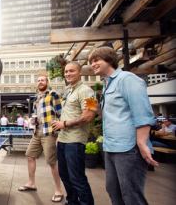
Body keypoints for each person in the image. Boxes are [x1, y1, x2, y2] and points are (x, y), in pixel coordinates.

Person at [89, 46, 158, 205]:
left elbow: (143, 113)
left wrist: (141, 142)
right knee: (113, 191)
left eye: (96, 60)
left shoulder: (127, 79)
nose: (93, 64)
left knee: (131, 196)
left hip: (129, 149)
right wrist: (91, 105)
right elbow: (107, 115)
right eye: (91, 62)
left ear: (109, 60)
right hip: (111, 147)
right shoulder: (107, 85)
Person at [52, 62, 96, 205]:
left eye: (71, 71)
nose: (68, 74)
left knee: (77, 178)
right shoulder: (69, 90)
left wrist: (64, 124)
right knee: (64, 175)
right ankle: (72, 202)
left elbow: (89, 115)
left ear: (80, 73)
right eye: (66, 72)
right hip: (63, 140)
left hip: (75, 141)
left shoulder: (87, 91)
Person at [18, 72, 64, 203]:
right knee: (30, 155)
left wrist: (59, 129)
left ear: (47, 82)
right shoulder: (36, 99)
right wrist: (34, 121)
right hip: (37, 132)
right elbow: (37, 115)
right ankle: (31, 183)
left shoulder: (53, 94)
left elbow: (61, 113)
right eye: (38, 80)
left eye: (43, 80)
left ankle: (58, 190)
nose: (40, 82)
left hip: (49, 132)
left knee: (51, 162)